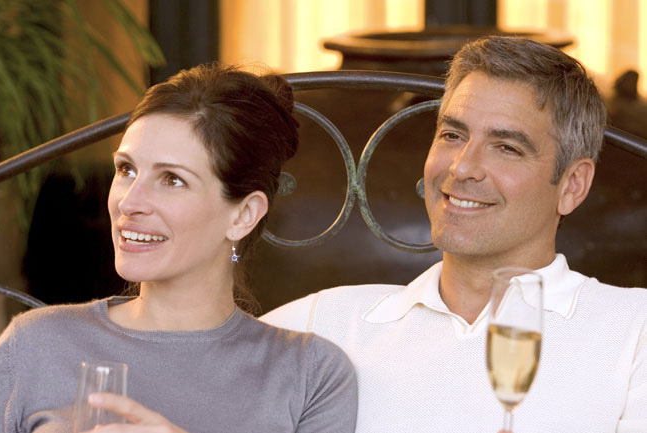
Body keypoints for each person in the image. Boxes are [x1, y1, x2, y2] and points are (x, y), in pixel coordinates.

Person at [261, 36, 647, 433]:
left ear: (572, 185)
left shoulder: (634, 331)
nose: (462, 168)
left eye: (506, 147)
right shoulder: (326, 322)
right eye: (452, 135)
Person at [0, 64, 357, 433]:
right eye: (126, 170)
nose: (129, 202)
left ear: (243, 215)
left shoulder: (310, 375)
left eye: (172, 179)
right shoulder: (35, 345)